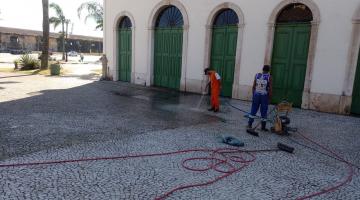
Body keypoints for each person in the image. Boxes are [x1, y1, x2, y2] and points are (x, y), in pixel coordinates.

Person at [248, 65, 272, 131]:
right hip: (264, 96)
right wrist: (269, 98)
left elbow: (253, 86)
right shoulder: (269, 77)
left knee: (253, 109)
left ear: (262, 69)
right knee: (264, 110)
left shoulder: (257, 75)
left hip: (256, 94)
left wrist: (254, 94)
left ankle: (249, 124)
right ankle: (263, 127)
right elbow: (270, 89)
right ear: (268, 70)